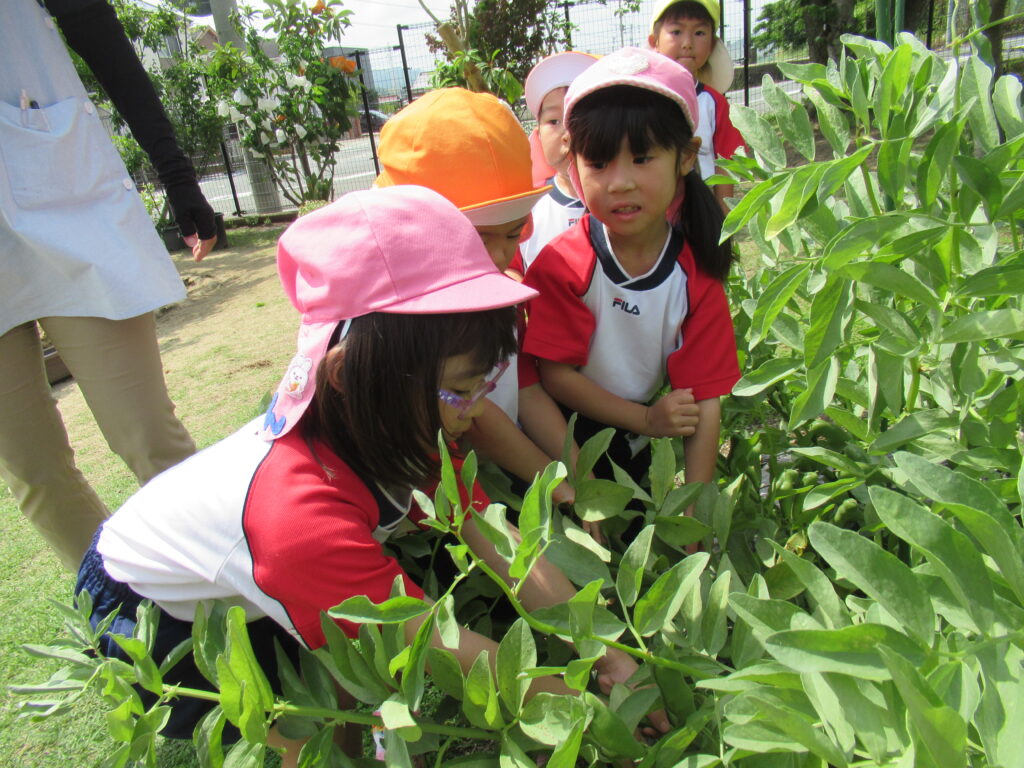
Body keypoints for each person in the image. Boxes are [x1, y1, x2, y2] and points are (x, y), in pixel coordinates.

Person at [76, 186, 665, 764]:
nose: (476, 409)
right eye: (460, 390)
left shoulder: (403, 427)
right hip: (152, 611)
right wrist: (592, 708)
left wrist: (606, 651)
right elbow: (431, 640)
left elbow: (505, 545)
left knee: (337, 674)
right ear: (346, 376)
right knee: (305, 729)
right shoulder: (298, 517)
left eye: (483, 384)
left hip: (249, 572)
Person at [1, 0, 217, 570]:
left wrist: (177, 175)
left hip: (60, 187)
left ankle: (236, 596)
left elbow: (94, 27)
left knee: (150, 438)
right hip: (48, 162)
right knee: (34, 472)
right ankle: (117, 609)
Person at [522, 47, 739, 507]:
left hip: (635, 441)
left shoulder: (696, 274)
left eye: (641, 158)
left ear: (686, 157)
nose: (620, 182)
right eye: (599, 163)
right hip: (560, 440)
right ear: (574, 164)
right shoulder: (563, 264)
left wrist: (695, 515)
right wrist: (646, 421)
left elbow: (703, 400)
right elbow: (555, 377)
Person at [374, 88, 582, 513]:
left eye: (512, 234)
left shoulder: (498, 293)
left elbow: (525, 388)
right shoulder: (399, 319)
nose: (500, 255)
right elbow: (479, 420)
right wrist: (555, 484)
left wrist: (577, 474)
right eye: (478, 238)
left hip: (495, 477)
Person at [648, 0, 743, 214]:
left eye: (699, 33)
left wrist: (722, 221)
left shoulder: (715, 103)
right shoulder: (643, 100)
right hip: (653, 217)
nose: (687, 43)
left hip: (701, 214)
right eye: (676, 31)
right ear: (654, 41)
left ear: (712, 45)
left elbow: (726, 166)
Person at [520, 51, 598, 272]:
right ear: (538, 134)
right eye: (554, 121)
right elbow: (512, 267)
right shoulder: (527, 206)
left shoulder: (619, 199)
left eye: (578, 120)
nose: (567, 135)